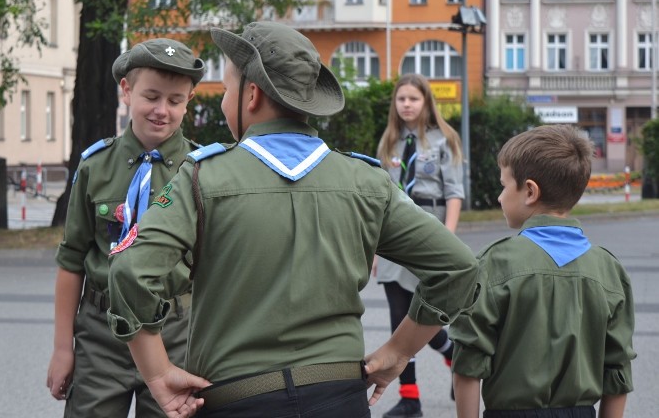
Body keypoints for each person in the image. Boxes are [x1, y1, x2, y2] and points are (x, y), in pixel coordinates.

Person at [106, 21, 479, 418]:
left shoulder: (202, 177)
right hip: (341, 397)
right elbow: (458, 268)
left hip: (237, 398)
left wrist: (159, 373)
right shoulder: (367, 181)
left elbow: (130, 273)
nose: (222, 100)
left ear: (250, 95)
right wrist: (399, 350)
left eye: (227, 89)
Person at [46, 38, 206, 417]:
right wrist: (62, 348)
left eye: (176, 100)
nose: (162, 110)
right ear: (126, 90)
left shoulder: (202, 172)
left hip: (177, 333)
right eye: (151, 96)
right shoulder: (95, 166)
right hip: (101, 335)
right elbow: (72, 261)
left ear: (189, 100)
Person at [450, 124, 636, 418]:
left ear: (530, 191)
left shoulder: (493, 263)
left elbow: (468, 366)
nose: (500, 197)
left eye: (504, 185)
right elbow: (617, 374)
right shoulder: (609, 270)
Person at [374, 73, 464, 418]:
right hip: (394, 235)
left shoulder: (445, 140)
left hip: (429, 231)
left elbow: (454, 193)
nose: (407, 105)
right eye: (401, 99)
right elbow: (380, 195)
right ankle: (410, 399)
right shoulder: (390, 142)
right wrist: (374, 249)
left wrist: (448, 239)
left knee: (423, 316)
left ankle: (454, 353)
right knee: (400, 321)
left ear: (427, 102)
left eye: (413, 98)